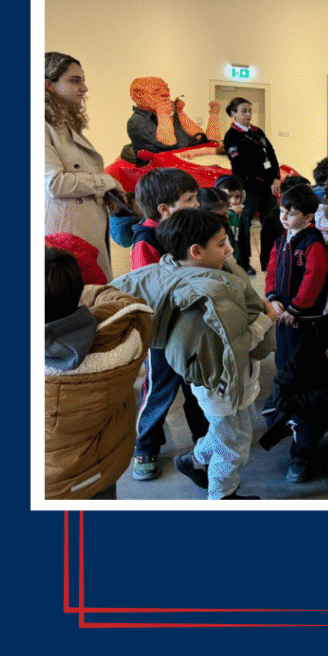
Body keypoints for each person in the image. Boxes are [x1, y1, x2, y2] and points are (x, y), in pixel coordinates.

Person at [112, 209, 276, 500]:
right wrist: (266, 319)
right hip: (223, 384)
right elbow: (235, 348)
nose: (229, 249)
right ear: (197, 251)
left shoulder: (171, 271)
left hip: (213, 382)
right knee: (234, 445)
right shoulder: (208, 299)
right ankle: (221, 495)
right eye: (221, 244)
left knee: (227, 431)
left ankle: (194, 459)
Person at [44, 247, 153, 500]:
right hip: (102, 464)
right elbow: (124, 302)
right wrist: (68, 286)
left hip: (49, 484)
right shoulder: (127, 334)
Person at [128, 168, 208, 480]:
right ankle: (146, 445)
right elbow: (150, 289)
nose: (197, 204)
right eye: (190, 199)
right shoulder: (146, 241)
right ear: (165, 209)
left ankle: (204, 440)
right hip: (161, 333)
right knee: (159, 390)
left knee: (198, 386)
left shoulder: (186, 228)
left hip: (191, 328)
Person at [44, 52, 125, 282]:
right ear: (48, 85)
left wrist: (105, 192)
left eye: (83, 80)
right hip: (66, 232)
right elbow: (55, 183)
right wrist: (106, 182)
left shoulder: (63, 125)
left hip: (82, 226)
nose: (84, 88)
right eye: (75, 81)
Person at [259, 310, 328, 483]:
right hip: (302, 407)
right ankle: (302, 454)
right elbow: (281, 398)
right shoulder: (302, 360)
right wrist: (325, 400)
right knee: (304, 418)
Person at [265, 182, 328, 375]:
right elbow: (271, 270)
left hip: (304, 316)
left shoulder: (313, 243)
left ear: (309, 217)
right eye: (282, 211)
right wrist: (272, 297)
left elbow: (314, 278)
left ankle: (301, 390)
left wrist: (296, 307)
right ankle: (284, 386)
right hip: (282, 312)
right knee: (283, 356)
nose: (284, 218)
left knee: (303, 359)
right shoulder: (281, 240)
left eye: (291, 214)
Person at [223, 96, 281, 271]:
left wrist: (276, 178)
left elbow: (271, 155)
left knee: (272, 223)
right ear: (233, 114)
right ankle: (243, 263)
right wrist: (258, 180)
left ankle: (270, 262)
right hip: (248, 187)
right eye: (244, 111)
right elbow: (239, 164)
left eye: (250, 111)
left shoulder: (257, 131)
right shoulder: (231, 136)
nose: (248, 114)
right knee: (245, 226)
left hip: (267, 187)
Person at [125, 76, 219, 157]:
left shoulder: (172, 116)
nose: (166, 94)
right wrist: (164, 116)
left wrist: (180, 112)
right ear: (139, 97)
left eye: (167, 89)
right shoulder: (137, 122)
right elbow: (168, 149)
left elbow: (200, 138)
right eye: (156, 91)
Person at [214, 174, 251, 270]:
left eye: (237, 197)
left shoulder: (242, 212)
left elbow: (245, 237)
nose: (233, 201)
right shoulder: (216, 214)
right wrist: (229, 212)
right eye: (228, 197)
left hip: (237, 247)